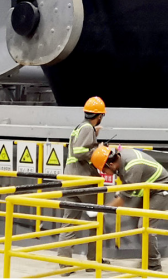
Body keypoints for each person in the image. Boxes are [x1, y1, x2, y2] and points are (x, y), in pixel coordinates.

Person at [91, 144, 168, 273]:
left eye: (103, 170)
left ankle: (153, 264)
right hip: (149, 191)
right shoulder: (122, 159)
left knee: (146, 225)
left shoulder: (133, 166)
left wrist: (102, 210)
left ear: (110, 165)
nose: (104, 174)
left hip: (163, 190)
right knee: (138, 220)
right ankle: (147, 258)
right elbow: (126, 187)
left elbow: (123, 199)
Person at [57, 96, 107, 270]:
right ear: (99, 116)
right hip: (83, 180)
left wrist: (94, 137)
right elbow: (80, 151)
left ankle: (64, 263)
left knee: (69, 222)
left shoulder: (79, 127)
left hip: (70, 179)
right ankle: (94, 261)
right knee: (97, 217)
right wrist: (98, 149)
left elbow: (77, 147)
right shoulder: (87, 128)